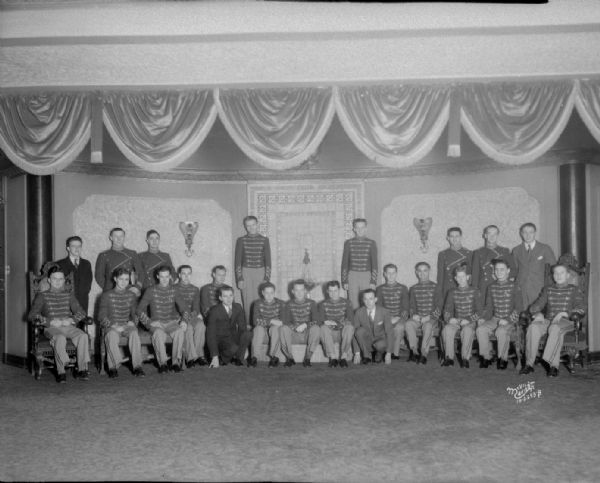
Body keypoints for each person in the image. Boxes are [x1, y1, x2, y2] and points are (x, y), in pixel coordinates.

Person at [519, 263, 585, 377]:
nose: (558, 275)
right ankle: (529, 365)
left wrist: (566, 313)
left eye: (562, 273)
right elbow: (538, 304)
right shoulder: (547, 289)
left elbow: (582, 308)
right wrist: (537, 313)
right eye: (556, 273)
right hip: (548, 320)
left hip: (567, 321)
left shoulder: (574, 289)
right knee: (533, 327)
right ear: (553, 276)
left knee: (555, 328)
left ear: (568, 275)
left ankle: (553, 366)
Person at [28, 265, 90, 383]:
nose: (58, 281)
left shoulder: (69, 295)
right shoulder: (42, 295)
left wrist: (71, 320)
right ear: (49, 280)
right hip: (51, 328)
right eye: (55, 279)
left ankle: (81, 370)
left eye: (61, 279)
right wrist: (49, 321)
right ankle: (61, 372)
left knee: (83, 336)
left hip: (68, 326)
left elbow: (82, 312)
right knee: (60, 338)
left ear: (64, 280)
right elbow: (32, 315)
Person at [136, 265, 189, 373]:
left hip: (171, 322)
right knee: (158, 334)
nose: (164, 279)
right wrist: (149, 323)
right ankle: (163, 364)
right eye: (162, 277)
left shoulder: (175, 290)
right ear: (157, 277)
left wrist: (184, 321)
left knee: (179, 331)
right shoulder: (150, 290)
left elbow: (185, 308)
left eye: (167, 276)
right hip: (156, 323)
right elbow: (139, 310)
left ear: (170, 277)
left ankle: (175, 363)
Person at [476, 258, 523, 370]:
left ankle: (503, 359)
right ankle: (485, 357)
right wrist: (483, 318)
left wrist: (508, 319)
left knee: (501, 331)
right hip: (495, 319)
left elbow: (519, 308)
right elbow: (489, 306)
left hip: (510, 321)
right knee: (480, 329)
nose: (499, 272)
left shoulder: (514, 286)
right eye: (496, 270)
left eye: (502, 269)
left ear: (508, 271)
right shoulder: (491, 287)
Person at [98, 267, 145, 378]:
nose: (124, 282)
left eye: (126, 279)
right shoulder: (106, 295)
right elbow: (101, 315)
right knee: (112, 335)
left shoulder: (131, 295)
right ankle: (113, 367)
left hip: (126, 325)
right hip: (112, 326)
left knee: (134, 333)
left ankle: (137, 366)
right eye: (121, 279)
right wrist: (112, 326)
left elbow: (135, 314)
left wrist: (132, 322)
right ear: (115, 279)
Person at [441, 264, 483, 368]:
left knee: (467, 331)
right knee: (447, 329)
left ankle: (465, 359)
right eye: (458, 277)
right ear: (455, 278)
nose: (461, 279)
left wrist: (468, 320)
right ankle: (449, 358)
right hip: (456, 320)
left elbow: (480, 311)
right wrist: (449, 319)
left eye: (463, 276)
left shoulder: (475, 291)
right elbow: (447, 310)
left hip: (470, 322)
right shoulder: (452, 292)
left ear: (468, 277)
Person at [235, 215, 271, 323]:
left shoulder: (264, 240)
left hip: (260, 272)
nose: (251, 228)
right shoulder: (241, 240)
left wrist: (266, 278)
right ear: (245, 227)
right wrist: (239, 278)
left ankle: (261, 324)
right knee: (247, 300)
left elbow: (268, 261)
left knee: (261, 299)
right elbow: (237, 261)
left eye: (253, 225)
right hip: (246, 273)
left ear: (257, 224)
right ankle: (248, 325)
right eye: (248, 226)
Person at [512, 222, 557, 308]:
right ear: (521, 234)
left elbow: (553, 270)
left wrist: (549, 289)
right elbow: (514, 270)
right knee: (522, 315)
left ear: (535, 233)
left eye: (531, 232)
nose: (528, 235)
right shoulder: (516, 250)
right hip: (521, 289)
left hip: (539, 289)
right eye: (525, 232)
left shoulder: (545, 248)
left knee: (537, 315)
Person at [405, 262, 442, 365]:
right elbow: (411, 306)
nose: (422, 273)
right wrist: (414, 315)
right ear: (416, 273)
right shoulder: (413, 288)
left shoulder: (436, 287)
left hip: (431, 318)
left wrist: (429, 316)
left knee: (428, 326)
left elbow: (440, 307)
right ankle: (414, 352)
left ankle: (424, 354)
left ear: (429, 271)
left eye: (425, 270)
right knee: (408, 324)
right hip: (418, 318)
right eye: (420, 271)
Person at [206, 285, 251, 368]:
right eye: (225, 296)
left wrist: (245, 347)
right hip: (220, 341)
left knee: (247, 334)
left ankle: (238, 359)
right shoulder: (214, 311)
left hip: (232, 337)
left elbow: (242, 327)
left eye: (230, 295)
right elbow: (210, 335)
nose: (229, 298)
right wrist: (214, 356)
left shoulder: (238, 307)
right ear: (220, 298)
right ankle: (221, 358)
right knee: (234, 347)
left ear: (233, 296)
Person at [281, 279, 321, 367]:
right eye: (296, 290)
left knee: (316, 329)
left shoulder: (312, 303)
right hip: (294, 334)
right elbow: (285, 321)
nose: (299, 293)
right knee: (283, 328)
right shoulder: (288, 304)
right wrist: (294, 327)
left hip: (307, 334)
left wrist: (305, 324)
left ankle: (307, 358)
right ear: (292, 291)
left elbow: (317, 321)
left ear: (305, 291)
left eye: (301, 290)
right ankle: (289, 358)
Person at [375, 263, 409, 361]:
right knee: (381, 327)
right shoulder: (380, 289)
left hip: (399, 318)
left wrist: (399, 318)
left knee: (399, 327)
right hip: (385, 318)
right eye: (388, 273)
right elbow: (379, 307)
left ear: (396, 273)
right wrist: (388, 318)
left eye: (393, 273)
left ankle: (395, 352)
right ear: (385, 274)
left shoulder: (403, 288)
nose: (391, 275)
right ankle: (381, 350)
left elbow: (406, 307)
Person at [175, 265, 207, 368]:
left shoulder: (195, 289)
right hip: (177, 317)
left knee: (201, 325)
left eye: (188, 274)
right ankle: (190, 357)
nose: (186, 276)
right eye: (183, 274)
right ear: (179, 275)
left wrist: (190, 317)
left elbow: (196, 309)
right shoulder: (173, 288)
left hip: (191, 316)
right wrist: (183, 319)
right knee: (188, 328)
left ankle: (199, 355)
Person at [341, 218, 378, 308]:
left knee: (367, 301)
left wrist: (373, 281)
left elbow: (375, 264)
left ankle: (366, 321)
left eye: (362, 227)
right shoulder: (348, 243)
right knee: (353, 302)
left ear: (366, 228)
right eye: (357, 227)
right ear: (354, 229)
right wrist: (345, 280)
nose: (360, 230)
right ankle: (355, 321)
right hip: (352, 276)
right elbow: (345, 263)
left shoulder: (371, 243)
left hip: (366, 275)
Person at [95, 227, 143, 294]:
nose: (119, 239)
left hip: (128, 291)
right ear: (111, 238)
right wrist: (108, 289)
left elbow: (141, 272)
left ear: (124, 237)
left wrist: (137, 287)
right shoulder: (103, 255)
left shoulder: (132, 253)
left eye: (121, 236)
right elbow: (99, 276)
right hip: (110, 292)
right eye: (116, 236)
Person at [318, 280, 355, 368]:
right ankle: (333, 358)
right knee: (323, 328)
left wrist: (336, 323)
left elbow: (351, 320)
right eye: (331, 291)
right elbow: (320, 321)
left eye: (335, 291)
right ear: (327, 291)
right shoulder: (323, 304)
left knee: (349, 327)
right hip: (330, 334)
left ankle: (343, 357)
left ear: (339, 290)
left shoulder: (347, 302)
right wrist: (324, 322)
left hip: (343, 333)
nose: (333, 293)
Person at [471, 225, 516, 294]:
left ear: (498, 236)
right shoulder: (478, 252)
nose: (492, 236)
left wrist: (502, 277)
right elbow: (475, 275)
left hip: (501, 287)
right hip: (483, 288)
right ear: (485, 235)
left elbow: (514, 270)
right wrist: (475, 291)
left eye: (495, 234)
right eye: (489, 233)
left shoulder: (504, 251)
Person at [249, 282, 285, 368]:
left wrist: (271, 322)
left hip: (274, 327)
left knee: (276, 328)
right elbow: (255, 321)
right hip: (262, 327)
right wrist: (271, 320)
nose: (269, 295)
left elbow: (283, 321)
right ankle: (254, 357)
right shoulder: (257, 303)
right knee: (258, 329)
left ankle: (274, 357)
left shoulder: (281, 303)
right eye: (267, 293)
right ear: (262, 293)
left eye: (271, 293)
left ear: (274, 293)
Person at [353, 289, 393, 364]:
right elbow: (354, 334)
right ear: (363, 300)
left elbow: (390, 332)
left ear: (375, 299)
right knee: (359, 331)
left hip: (380, 341)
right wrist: (357, 353)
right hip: (367, 342)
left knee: (380, 345)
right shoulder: (358, 312)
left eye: (371, 299)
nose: (368, 302)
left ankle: (379, 353)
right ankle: (367, 356)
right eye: (365, 299)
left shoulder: (384, 312)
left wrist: (389, 353)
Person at [55, 235, 93, 314]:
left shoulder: (86, 264)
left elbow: (88, 284)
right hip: (65, 303)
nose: (77, 249)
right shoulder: (59, 264)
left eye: (79, 246)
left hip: (82, 302)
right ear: (68, 248)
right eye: (73, 246)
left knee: (81, 325)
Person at [437, 226, 472, 298]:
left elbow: (471, 275)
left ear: (461, 237)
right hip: (448, 289)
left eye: (457, 236)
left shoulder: (469, 253)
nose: (454, 239)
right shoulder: (443, 254)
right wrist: (440, 294)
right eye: (452, 236)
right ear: (448, 238)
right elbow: (440, 277)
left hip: (464, 289)